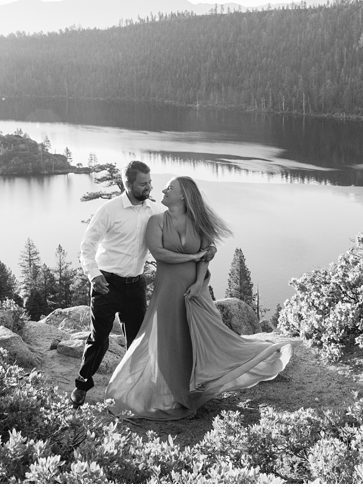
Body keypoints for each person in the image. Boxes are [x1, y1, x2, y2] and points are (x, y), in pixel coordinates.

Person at [105, 176, 292, 420]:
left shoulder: (197, 223)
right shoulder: (157, 221)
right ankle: (175, 394)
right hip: (169, 289)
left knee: (209, 337)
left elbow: (207, 255)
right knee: (169, 341)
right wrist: (192, 258)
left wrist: (197, 282)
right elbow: (161, 254)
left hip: (196, 290)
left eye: (170, 188)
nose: (163, 189)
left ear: (183, 195)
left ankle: (247, 361)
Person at [70, 160, 174, 407]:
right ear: (128, 184)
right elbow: (87, 246)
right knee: (100, 337)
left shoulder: (155, 210)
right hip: (106, 283)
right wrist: (94, 275)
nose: (149, 187)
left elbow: (179, 227)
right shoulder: (110, 210)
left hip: (135, 285)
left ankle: (133, 389)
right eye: (143, 183)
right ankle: (82, 384)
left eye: (150, 182)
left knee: (137, 339)